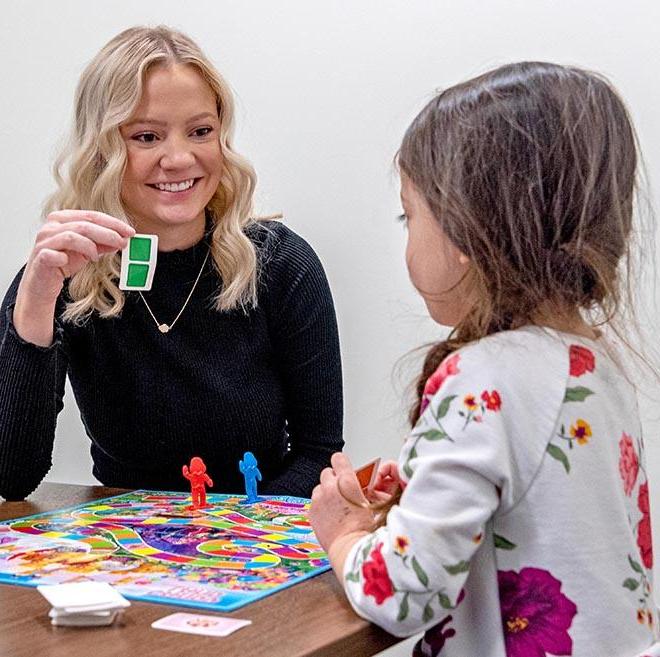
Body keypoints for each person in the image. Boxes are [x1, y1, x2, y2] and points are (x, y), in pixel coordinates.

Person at [310, 62, 659, 656]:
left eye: (408, 215)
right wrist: (416, 502)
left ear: (464, 234)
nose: (407, 236)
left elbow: (405, 594)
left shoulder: (481, 378)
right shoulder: (592, 364)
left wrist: (343, 537)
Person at [0, 26, 343, 501]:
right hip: (126, 552)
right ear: (101, 150)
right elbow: (12, 478)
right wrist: (35, 301)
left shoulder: (282, 264)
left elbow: (319, 454)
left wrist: (229, 540)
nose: (179, 158)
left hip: (254, 545)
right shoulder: (60, 276)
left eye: (201, 131)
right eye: (146, 136)